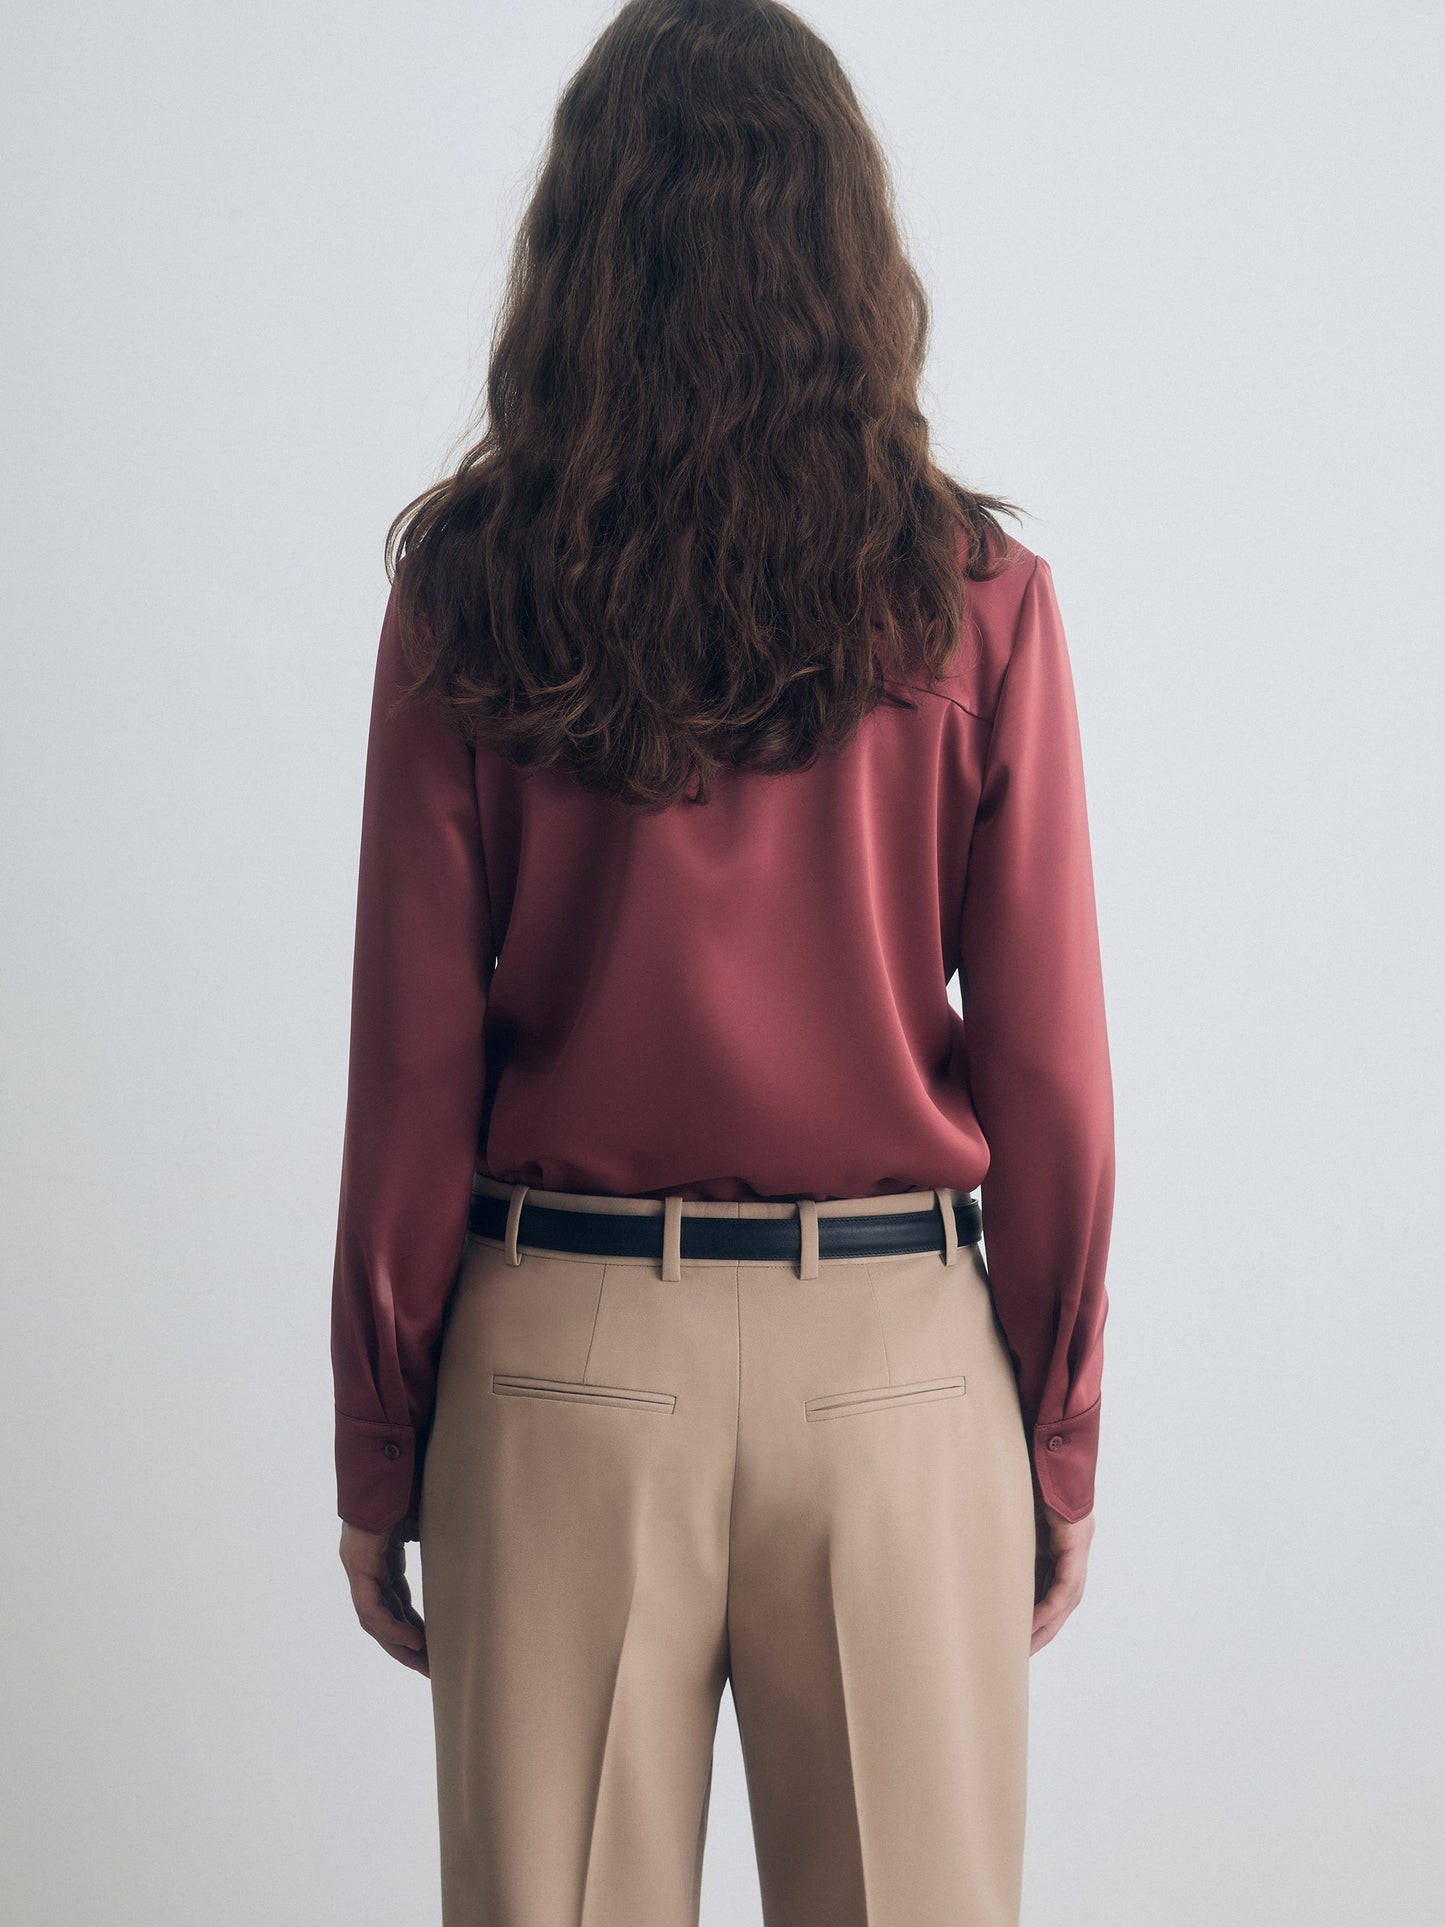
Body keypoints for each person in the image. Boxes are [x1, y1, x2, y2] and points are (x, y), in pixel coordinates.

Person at [329, 1, 1115, 1921]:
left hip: (558, 1372)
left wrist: (377, 1442)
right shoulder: (974, 598)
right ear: (847, 250)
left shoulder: (472, 589)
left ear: (579, 249)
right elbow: (1051, 1072)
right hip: (895, 1375)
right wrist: (1058, 1433)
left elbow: (414, 1066)